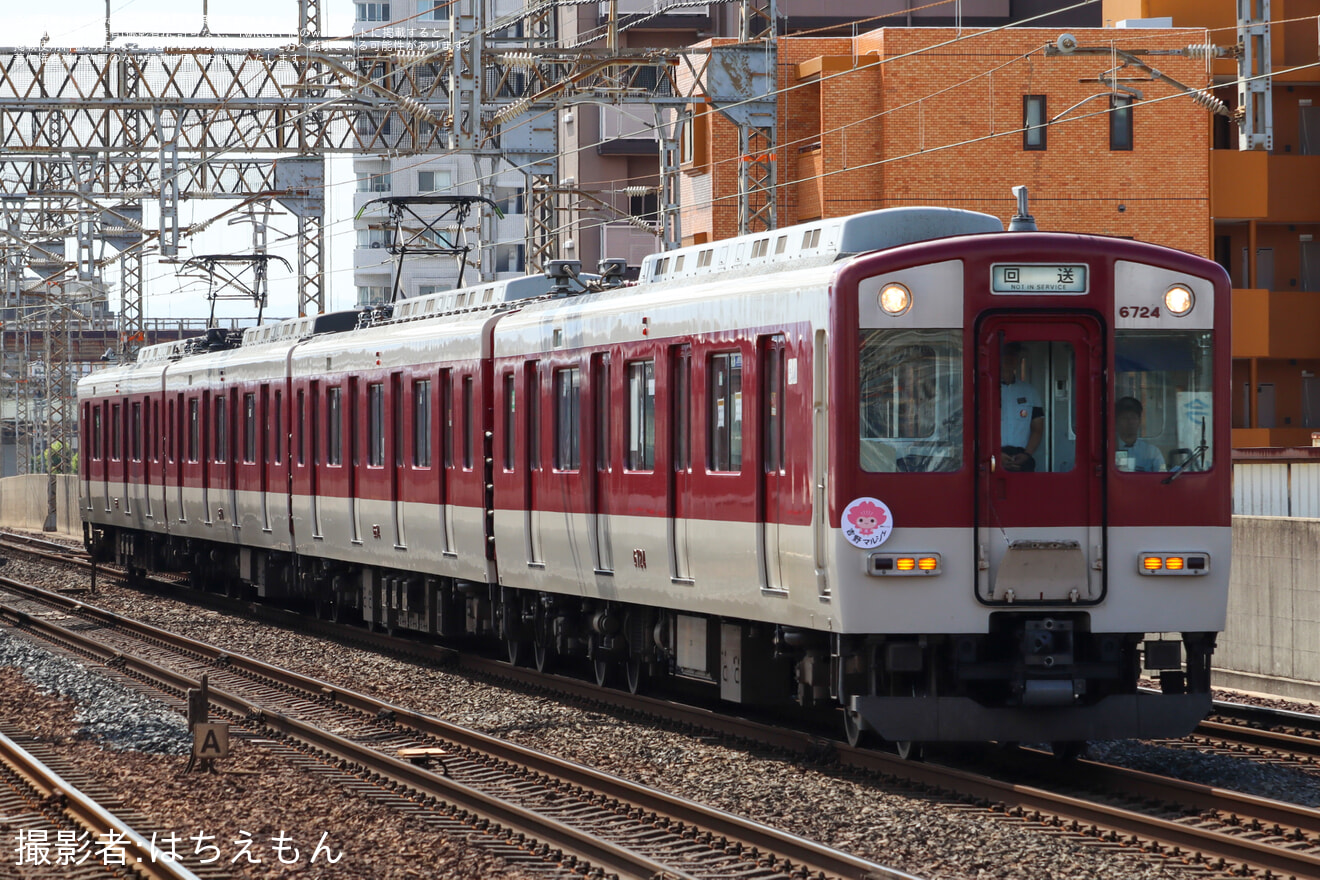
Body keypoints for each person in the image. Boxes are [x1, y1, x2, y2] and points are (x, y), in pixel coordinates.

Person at [1000, 342, 1044, 472]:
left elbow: (1037, 428)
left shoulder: (1030, 391)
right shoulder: (983, 389)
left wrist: (1027, 454)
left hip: (1021, 456)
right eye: (1005, 354)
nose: (1010, 358)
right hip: (990, 458)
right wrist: (994, 455)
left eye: (1014, 355)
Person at [1114, 396, 1166, 472]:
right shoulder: (1109, 449)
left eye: (1133, 417)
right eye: (1124, 418)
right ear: (1116, 422)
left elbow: (1162, 477)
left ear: (1139, 421)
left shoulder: (1152, 452)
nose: (1130, 422)